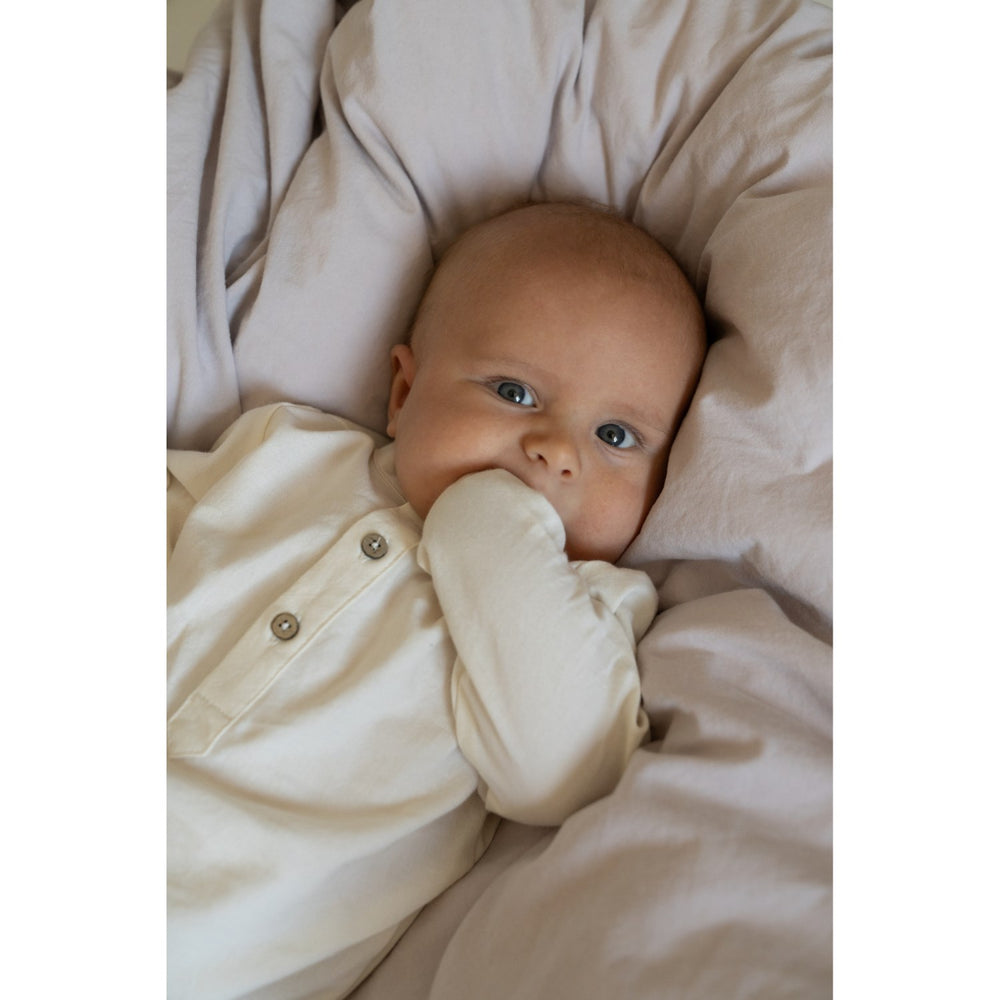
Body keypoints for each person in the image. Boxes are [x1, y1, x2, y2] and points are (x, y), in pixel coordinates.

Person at [167, 202, 706, 998]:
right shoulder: (288, 453)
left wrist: (487, 521)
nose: (555, 450)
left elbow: (560, 775)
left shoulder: (590, 608)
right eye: (515, 391)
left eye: (616, 437)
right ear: (404, 392)